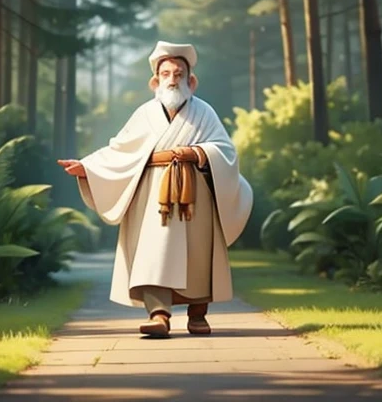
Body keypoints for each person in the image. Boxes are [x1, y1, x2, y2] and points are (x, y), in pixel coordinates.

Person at [57, 41, 252, 337]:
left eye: (178, 73)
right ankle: (159, 314)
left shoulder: (205, 113)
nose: (172, 79)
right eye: (166, 74)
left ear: (191, 80)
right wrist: (88, 167)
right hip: (151, 195)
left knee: (197, 253)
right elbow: (120, 150)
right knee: (153, 252)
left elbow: (225, 151)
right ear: (155, 81)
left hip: (194, 193)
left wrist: (197, 153)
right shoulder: (144, 114)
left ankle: (197, 313)